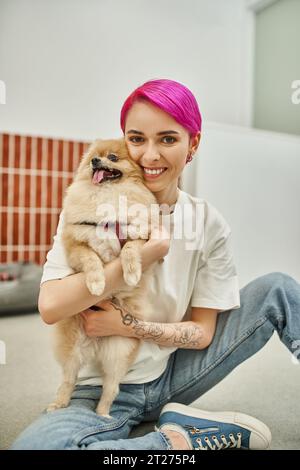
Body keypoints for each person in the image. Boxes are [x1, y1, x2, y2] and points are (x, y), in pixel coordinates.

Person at [11, 79, 300, 451]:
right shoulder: (86, 208)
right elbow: (50, 306)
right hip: (98, 388)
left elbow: (203, 333)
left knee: (279, 288)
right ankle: (179, 440)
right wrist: (142, 256)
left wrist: (129, 326)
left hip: (176, 373)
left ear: (192, 144)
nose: (149, 155)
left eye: (167, 139)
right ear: (123, 142)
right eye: (136, 139)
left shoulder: (208, 222)